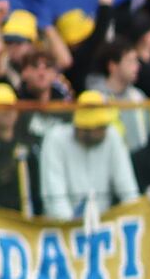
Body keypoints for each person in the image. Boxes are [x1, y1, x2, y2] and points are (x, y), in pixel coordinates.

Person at [36, 89, 143, 218]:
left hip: (102, 227)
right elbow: (54, 196)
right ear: (85, 129)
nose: (105, 129)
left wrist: (136, 216)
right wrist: (72, 228)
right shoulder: (55, 139)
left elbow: (128, 189)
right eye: (101, 126)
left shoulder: (112, 135)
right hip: (62, 229)